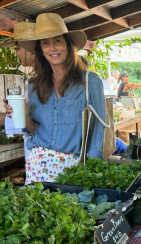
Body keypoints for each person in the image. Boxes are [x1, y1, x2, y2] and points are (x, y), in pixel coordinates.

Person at [4, 13, 105, 185]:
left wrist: (92, 169)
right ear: (41, 50)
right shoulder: (35, 86)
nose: (52, 48)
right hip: (38, 165)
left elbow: (98, 130)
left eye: (57, 40)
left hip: (73, 168)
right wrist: (23, 115)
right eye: (45, 43)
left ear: (68, 44)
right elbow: (33, 129)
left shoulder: (90, 81)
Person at [1, 21, 36, 161]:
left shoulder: (39, 83)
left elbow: (25, 121)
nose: (16, 52)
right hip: (38, 159)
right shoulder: (36, 80)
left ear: (31, 49)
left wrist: (16, 114)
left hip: (42, 159)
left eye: (18, 47)